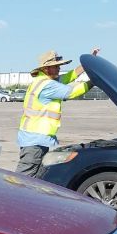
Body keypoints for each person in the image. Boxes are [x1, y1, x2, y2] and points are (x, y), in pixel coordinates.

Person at [16, 48, 99, 177]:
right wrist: (94, 80)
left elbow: (70, 76)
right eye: (56, 66)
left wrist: (87, 63)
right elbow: (72, 92)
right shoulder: (47, 85)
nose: (59, 68)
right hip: (35, 140)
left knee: (37, 178)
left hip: (38, 138)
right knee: (23, 179)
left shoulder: (44, 81)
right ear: (46, 69)